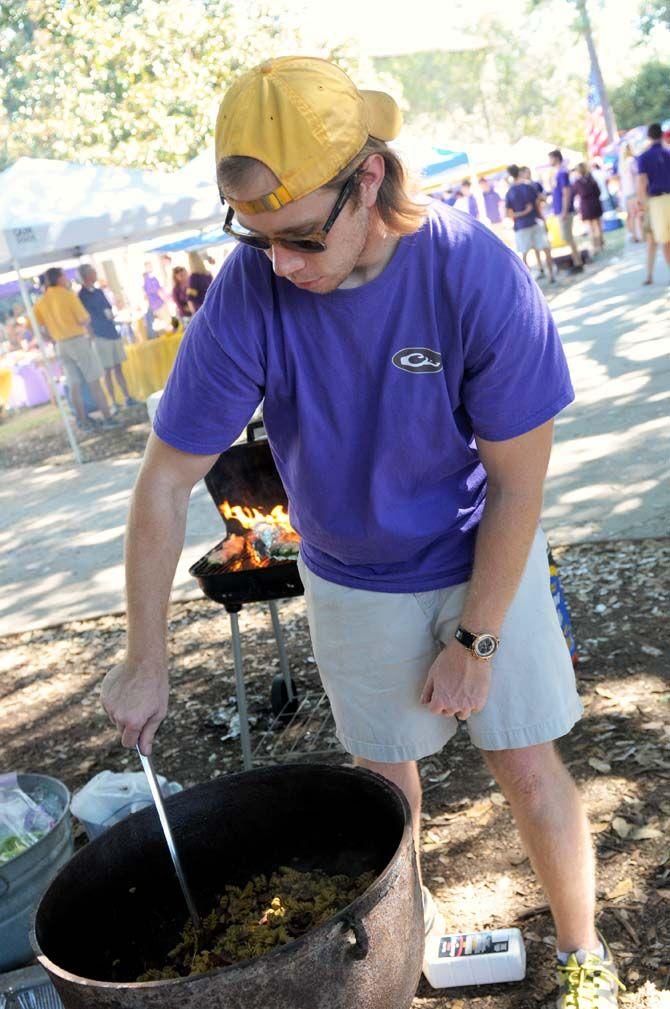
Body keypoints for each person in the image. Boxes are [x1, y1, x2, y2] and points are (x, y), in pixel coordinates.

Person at [101, 56, 622, 1009]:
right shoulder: (251, 290)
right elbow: (165, 479)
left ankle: (587, 957)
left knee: (528, 766)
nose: (281, 266)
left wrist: (476, 636)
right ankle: (396, 955)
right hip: (349, 573)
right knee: (387, 797)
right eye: (257, 241)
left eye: (301, 237)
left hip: (480, 554)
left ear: (369, 178)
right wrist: (146, 655)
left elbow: (518, 484)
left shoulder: (473, 273)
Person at [32, 267, 119, 431]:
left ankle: (82, 422)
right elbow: (84, 319)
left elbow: (34, 326)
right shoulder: (67, 295)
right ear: (58, 278)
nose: (66, 278)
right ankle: (107, 417)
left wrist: (50, 337)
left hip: (60, 345)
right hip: (77, 341)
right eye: (64, 275)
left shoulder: (41, 301)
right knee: (93, 380)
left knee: (74, 384)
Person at [78, 265, 139, 409]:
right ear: (87, 276)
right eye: (93, 272)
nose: (96, 274)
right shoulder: (82, 296)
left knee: (118, 367)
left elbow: (108, 308)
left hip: (112, 332)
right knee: (107, 371)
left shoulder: (99, 291)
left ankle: (127, 397)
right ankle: (113, 402)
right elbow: (84, 318)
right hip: (100, 336)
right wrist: (92, 334)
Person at [505, 164, 555, 282]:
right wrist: (529, 210)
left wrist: (520, 214)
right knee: (545, 249)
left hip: (521, 225)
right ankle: (551, 275)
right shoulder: (529, 186)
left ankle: (528, 282)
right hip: (535, 221)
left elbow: (508, 213)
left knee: (524, 254)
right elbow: (542, 198)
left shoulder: (510, 192)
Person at [636, 123, 670, 276]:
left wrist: (643, 205)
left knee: (665, 240)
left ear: (649, 137)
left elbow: (642, 182)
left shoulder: (644, 157)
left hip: (656, 201)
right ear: (662, 135)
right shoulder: (668, 153)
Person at [548, 149, 583, 274]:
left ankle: (578, 262)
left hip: (565, 210)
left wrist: (564, 210)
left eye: (550, 158)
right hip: (561, 210)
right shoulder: (557, 173)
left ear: (556, 158)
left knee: (568, 237)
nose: (549, 161)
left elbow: (566, 192)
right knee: (567, 237)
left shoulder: (562, 173)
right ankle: (577, 261)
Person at [572, 164, 604, 255]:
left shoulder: (579, 182)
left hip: (587, 205)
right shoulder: (591, 179)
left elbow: (574, 193)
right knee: (596, 225)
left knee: (591, 227)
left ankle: (596, 245)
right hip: (593, 203)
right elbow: (598, 191)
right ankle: (599, 244)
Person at [142, 261, 172, 337]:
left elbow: (146, 295)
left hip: (155, 305)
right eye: (149, 266)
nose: (151, 267)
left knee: (165, 325)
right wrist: (167, 300)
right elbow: (158, 291)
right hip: (159, 305)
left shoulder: (147, 281)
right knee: (168, 324)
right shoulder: (151, 280)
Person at [618, 144, 641, 242]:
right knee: (637, 214)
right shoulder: (632, 161)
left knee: (631, 215)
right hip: (634, 191)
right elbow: (637, 176)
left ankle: (633, 235)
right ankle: (639, 235)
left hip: (626, 193)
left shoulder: (621, 164)